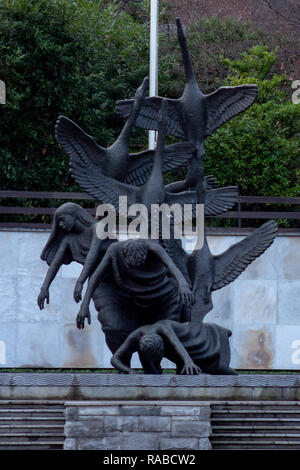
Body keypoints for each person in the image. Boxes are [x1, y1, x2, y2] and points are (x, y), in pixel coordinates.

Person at [75, 238, 194, 356]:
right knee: (114, 328)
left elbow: (173, 266)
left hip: (160, 295)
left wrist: (182, 284)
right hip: (127, 296)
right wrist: (84, 305)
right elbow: (96, 276)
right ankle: (124, 363)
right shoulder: (114, 250)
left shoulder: (154, 248)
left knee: (171, 331)